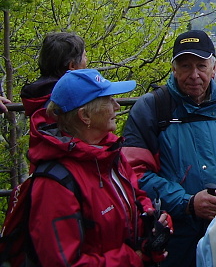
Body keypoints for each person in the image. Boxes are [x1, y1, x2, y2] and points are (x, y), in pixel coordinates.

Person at [122, 29, 216, 267]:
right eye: (185, 66)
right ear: (174, 69)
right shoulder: (153, 108)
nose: (194, 74)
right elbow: (134, 173)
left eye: (201, 66)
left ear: (214, 68)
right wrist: (186, 202)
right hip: (172, 232)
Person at [28, 69, 171, 266]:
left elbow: (136, 195)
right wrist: (134, 259)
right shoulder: (55, 183)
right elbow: (62, 261)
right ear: (85, 115)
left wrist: (152, 221)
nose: (117, 105)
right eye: (108, 99)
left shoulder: (109, 154)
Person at [20, 32, 88, 117]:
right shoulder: (71, 99)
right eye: (84, 56)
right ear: (72, 65)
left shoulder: (36, 95)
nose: (86, 60)